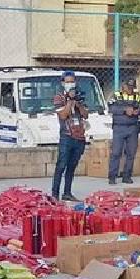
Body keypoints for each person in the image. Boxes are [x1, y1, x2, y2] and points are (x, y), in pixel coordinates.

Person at [51, 70, 88, 202]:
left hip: (79, 136)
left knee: (72, 167)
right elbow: (63, 115)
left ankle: (67, 193)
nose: (70, 84)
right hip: (66, 136)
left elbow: (85, 115)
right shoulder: (59, 97)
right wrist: (70, 100)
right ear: (63, 83)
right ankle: (55, 194)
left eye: (72, 81)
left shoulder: (79, 94)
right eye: (67, 82)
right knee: (61, 166)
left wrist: (78, 103)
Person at [108, 81, 140, 185]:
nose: (130, 89)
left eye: (132, 87)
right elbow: (111, 108)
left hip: (133, 127)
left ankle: (127, 176)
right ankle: (112, 177)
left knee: (131, 153)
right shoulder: (116, 95)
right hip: (119, 127)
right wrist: (124, 110)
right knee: (116, 153)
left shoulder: (137, 96)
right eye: (128, 87)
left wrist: (138, 111)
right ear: (123, 86)